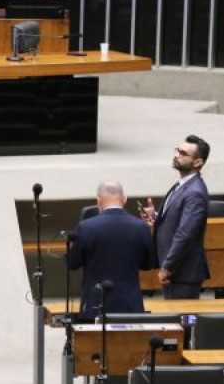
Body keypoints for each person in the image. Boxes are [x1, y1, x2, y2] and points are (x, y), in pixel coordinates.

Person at [67, 181, 156, 319]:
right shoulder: (141, 227)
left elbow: (73, 263)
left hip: (95, 304)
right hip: (130, 305)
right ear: (124, 199)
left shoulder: (86, 227)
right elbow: (148, 264)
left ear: (98, 200)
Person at [141, 135, 212, 299]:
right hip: (177, 272)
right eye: (177, 150)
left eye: (183, 153)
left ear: (198, 162)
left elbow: (185, 234)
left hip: (182, 272)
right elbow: (179, 219)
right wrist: (157, 217)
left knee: (181, 315)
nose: (176, 155)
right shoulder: (183, 185)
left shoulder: (195, 193)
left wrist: (167, 267)